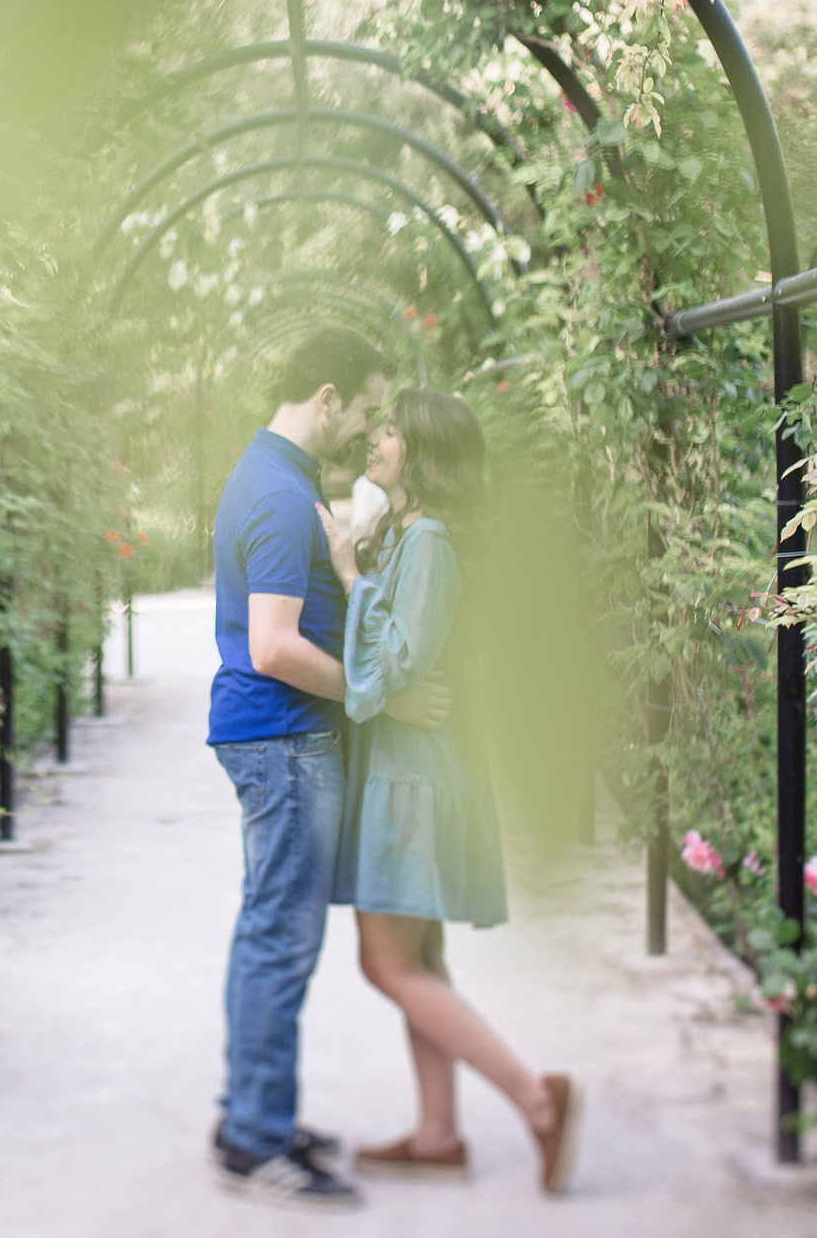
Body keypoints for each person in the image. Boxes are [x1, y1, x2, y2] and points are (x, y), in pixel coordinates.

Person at [206, 328, 449, 1208]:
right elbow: (273, 647)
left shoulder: (278, 472)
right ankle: (258, 1143)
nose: (369, 425)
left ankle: (250, 1115)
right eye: (367, 407)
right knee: (281, 935)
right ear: (326, 396)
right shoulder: (276, 490)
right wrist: (374, 693)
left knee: (265, 928)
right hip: (284, 738)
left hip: (277, 739)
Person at [320, 389, 583, 1195]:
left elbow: (395, 664)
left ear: (425, 452)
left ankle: (538, 1100)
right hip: (411, 775)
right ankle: (438, 1133)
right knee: (421, 960)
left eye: (392, 430)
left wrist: (349, 575)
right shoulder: (410, 533)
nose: (377, 438)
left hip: (414, 783)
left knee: (386, 963)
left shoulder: (427, 540)